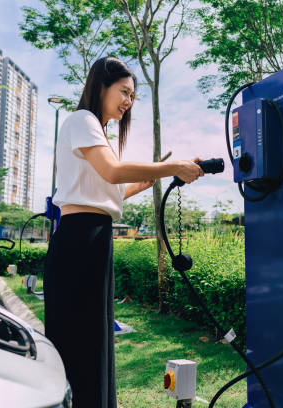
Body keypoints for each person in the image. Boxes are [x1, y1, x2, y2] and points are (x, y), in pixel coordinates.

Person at [44, 56, 204, 408]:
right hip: (80, 241)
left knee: (94, 342)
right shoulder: (82, 120)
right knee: (80, 344)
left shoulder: (96, 133)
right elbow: (113, 173)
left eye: (133, 96)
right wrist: (170, 166)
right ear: (102, 85)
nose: (128, 101)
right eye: (124, 91)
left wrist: (151, 179)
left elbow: (109, 191)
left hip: (93, 238)